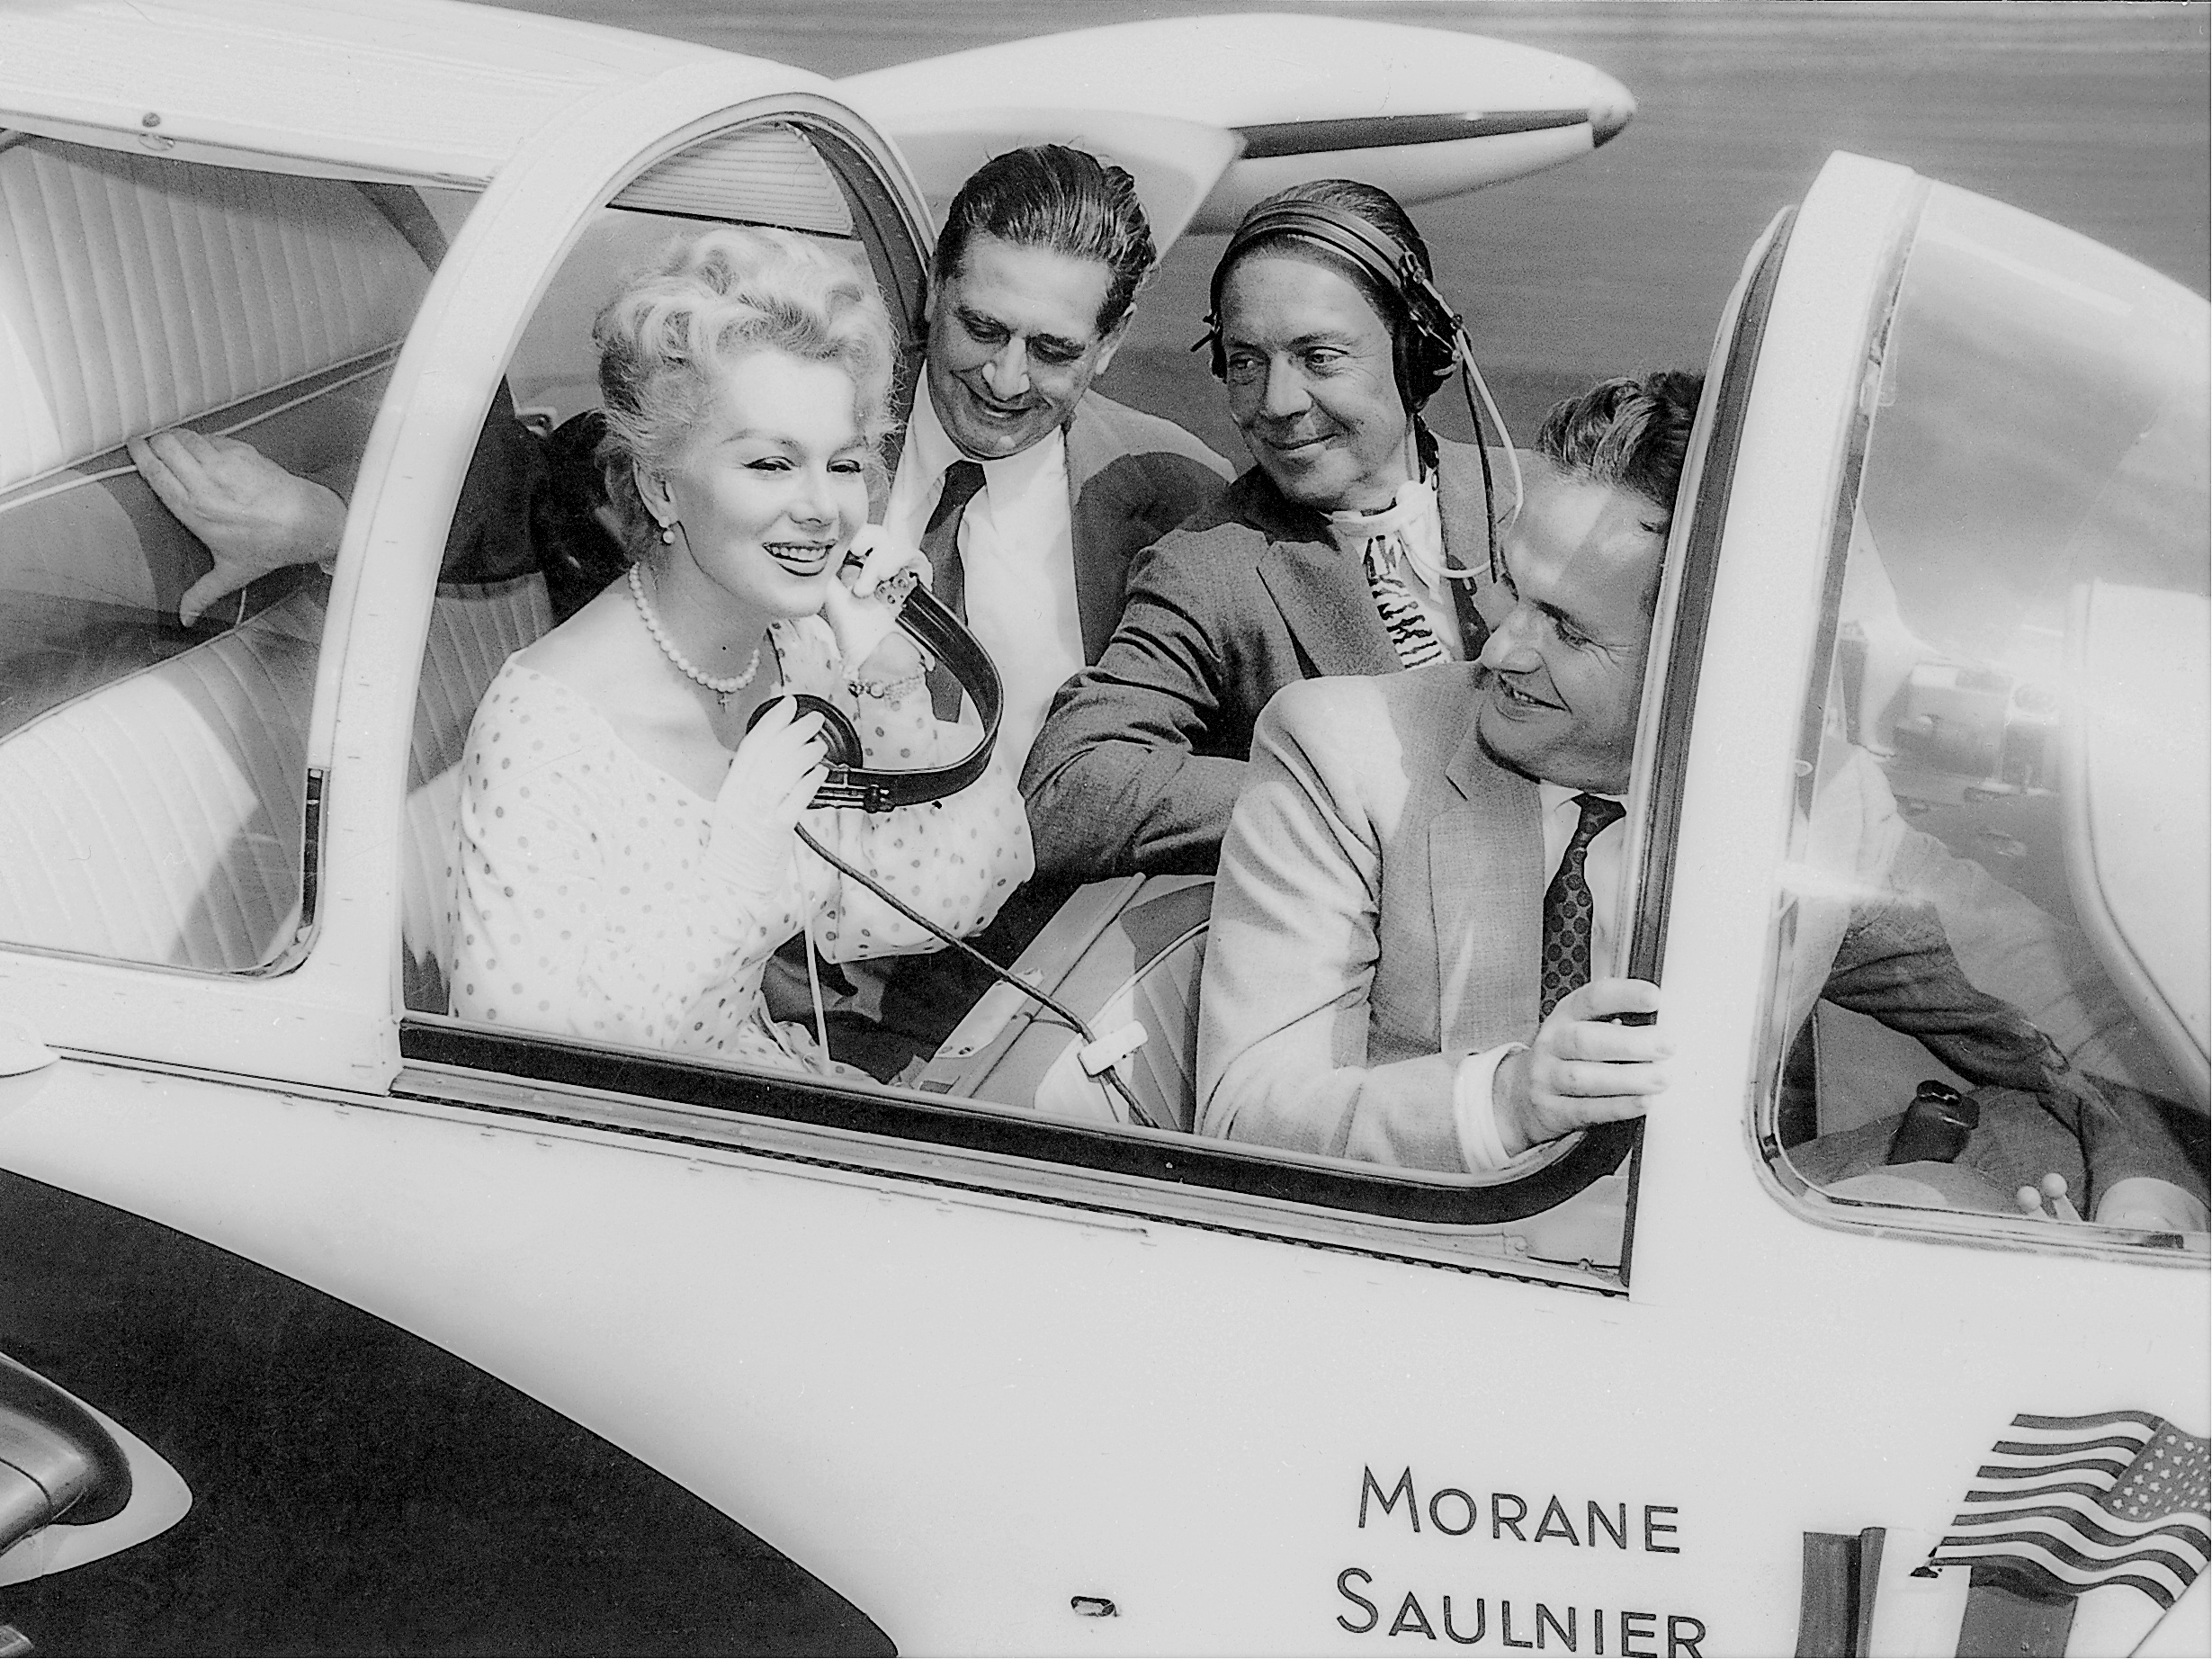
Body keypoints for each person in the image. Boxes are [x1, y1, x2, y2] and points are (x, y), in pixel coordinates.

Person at [1196, 372, 2206, 1231]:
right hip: (1440, 1296)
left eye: (1566, 627)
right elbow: (1242, 1115)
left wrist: (2145, 1198)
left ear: (1706, 660)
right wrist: (1505, 1099)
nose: (1498, 647)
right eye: (1510, 588)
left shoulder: (1819, 802)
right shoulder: (1337, 751)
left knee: (2021, 1149)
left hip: (1701, 1290)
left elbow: (2074, 1013)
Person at [444, 227, 1031, 1072]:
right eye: (769, 464)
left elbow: (944, 901)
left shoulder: (799, 653)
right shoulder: (546, 728)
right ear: (659, 484)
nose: (823, 509)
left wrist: (894, 681)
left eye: (842, 465)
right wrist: (730, 880)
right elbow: (526, 1076)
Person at [819, 143, 1231, 1060]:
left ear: (1112, 343)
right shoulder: (805, 435)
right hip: (777, 979)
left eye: (1052, 351)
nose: (1006, 380)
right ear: (931, 289)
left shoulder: (1176, 497)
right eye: (981, 328)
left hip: (1015, 1012)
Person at [1021, 177, 1506, 881]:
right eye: (1246, 362)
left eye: (1318, 358)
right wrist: (1334, 799)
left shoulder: (1546, 503)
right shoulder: (1207, 569)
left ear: (1413, 349)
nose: (1274, 404)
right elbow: (1067, 791)